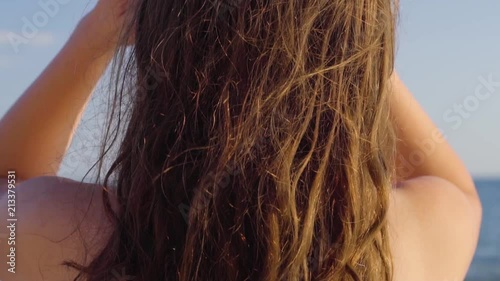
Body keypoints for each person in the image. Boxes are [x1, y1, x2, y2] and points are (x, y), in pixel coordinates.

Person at [0, 0, 482, 280]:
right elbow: (454, 188)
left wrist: (96, 31)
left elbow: (10, 181)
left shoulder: (47, 232)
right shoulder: (407, 249)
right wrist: (350, 45)